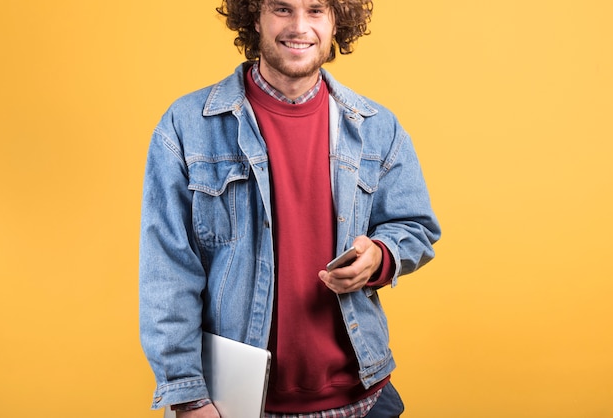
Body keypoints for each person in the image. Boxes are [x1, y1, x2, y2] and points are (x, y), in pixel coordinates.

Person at [139, 0, 441, 416]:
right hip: (240, 405)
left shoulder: (376, 127)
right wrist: (188, 395)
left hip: (365, 398)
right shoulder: (187, 126)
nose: (300, 26)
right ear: (254, 17)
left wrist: (380, 256)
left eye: (316, 10)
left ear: (337, 21)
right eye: (282, 9)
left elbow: (415, 226)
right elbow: (167, 273)